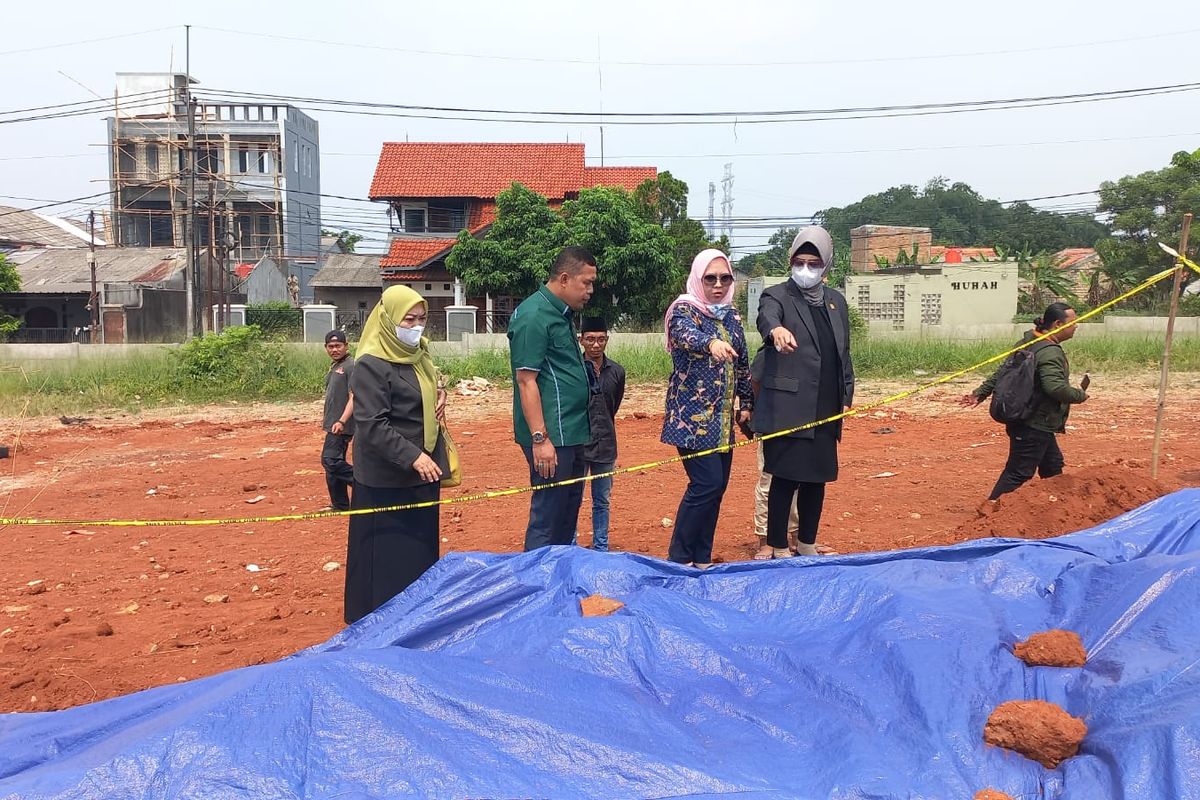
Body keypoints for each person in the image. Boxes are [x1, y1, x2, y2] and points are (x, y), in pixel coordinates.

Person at [344, 286, 449, 625]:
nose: (416, 326)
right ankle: (376, 622)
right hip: (387, 477)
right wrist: (413, 457)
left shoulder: (419, 355)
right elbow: (372, 424)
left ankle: (414, 616)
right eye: (409, 319)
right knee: (383, 557)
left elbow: (423, 393)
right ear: (388, 320)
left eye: (421, 319)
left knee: (417, 552)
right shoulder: (371, 365)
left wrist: (438, 394)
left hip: (421, 472)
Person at [754, 226, 855, 559]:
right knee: (784, 477)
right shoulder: (777, 295)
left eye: (814, 262)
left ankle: (808, 542)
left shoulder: (836, 301)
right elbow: (767, 318)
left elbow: (843, 352)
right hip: (788, 405)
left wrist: (846, 396)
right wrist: (777, 331)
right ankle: (779, 545)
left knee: (816, 478)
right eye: (800, 261)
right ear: (790, 261)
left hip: (826, 406)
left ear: (826, 265)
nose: (807, 268)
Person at [662, 248, 754, 568]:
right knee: (706, 484)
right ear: (698, 279)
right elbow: (685, 335)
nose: (717, 284)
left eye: (724, 278)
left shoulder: (731, 315)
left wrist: (747, 402)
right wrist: (711, 343)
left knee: (717, 488)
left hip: (722, 420)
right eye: (710, 278)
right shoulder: (684, 310)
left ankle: (701, 556)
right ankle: (679, 557)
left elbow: (741, 361)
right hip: (691, 419)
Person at [508, 246, 597, 551]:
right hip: (550, 436)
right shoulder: (534, 316)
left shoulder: (562, 314)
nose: (590, 291)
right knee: (548, 515)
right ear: (564, 278)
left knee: (567, 514)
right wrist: (539, 440)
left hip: (572, 431)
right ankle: (537, 586)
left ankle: (557, 580)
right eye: (586, 283)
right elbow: (526, 380)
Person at [960, 302, 1090, 500]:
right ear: (1057, 324)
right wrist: (1080, 395)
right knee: (1019, 472)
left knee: (1052, 465)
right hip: (1033, 422)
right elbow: (1054, 388)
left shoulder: (1028, 341)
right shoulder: (1050, 352)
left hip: (1028, 419)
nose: (1076, 326)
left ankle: (1058, 507)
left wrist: (980, 393)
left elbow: (1002, 373)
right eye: (1073, 322)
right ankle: (992, 511)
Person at [578, 317, 626, 552]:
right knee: (572, 499)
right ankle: (571, 545)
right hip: (577, 445)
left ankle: (601, 547)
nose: (595, 345)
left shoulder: (617, 371)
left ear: (606, 340)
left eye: (600, 339)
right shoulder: (574, 370)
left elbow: (613, 406)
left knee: (602, 500)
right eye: (590, 339)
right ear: (581, 340)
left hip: (606, 444)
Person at [320, 329, 355, 512]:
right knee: (332, 465)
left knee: (330, 460)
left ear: (346, 346)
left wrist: (342, 421)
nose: (334, 349)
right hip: (333, 423)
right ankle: (340, 505)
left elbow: (354, 397)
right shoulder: (335, 366)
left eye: (338, 346)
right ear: (326, 348)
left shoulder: (350, 366)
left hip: (341, 425)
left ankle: (364, 485)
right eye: (331, 346)